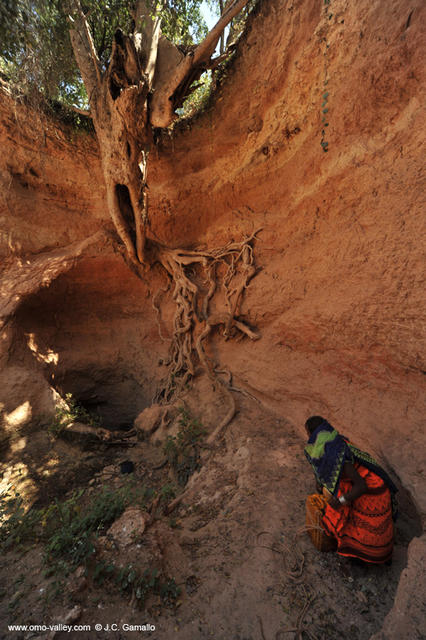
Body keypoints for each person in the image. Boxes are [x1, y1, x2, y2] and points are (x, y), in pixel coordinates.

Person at [304, 416, 398, 564]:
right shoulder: (333, 443)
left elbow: (361, 486)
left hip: (371, 491)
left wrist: (340, 501)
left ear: (312, 435)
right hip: (364, 484)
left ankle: (363, 558)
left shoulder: (337, 453)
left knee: (347, 519)